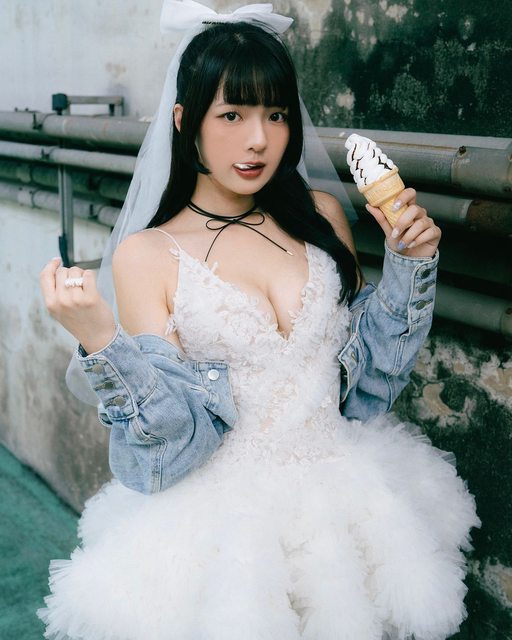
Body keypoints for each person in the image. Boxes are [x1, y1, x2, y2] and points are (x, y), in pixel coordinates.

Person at [37, 3, 479, 639]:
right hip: (225, 531)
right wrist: (102, 341)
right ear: (184, 121)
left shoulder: (321, 214)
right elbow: (172, 441)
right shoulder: (147, 255)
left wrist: (410, 263)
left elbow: (369, 383)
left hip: (347, 498)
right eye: (232, 115)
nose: (259, 140)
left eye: (276, 114)